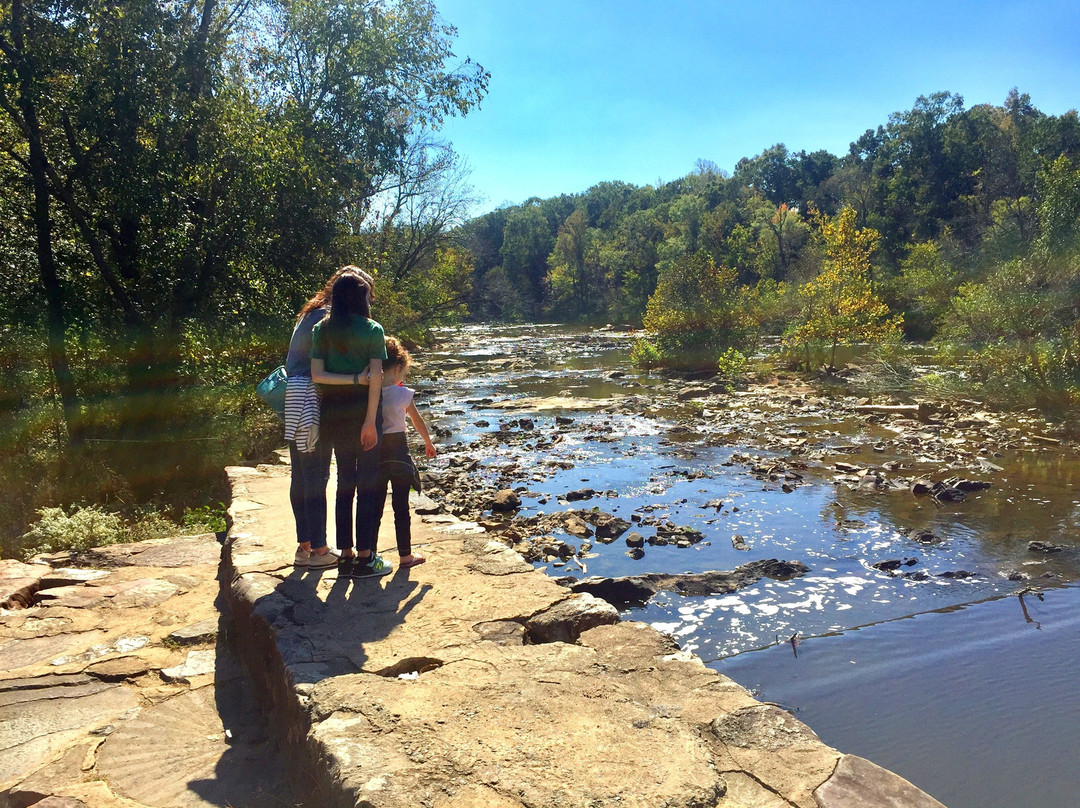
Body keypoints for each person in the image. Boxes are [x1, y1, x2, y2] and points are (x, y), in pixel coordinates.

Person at [310, 270, 391, 578]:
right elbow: (376, 380)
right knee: (368, 483)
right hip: (362, 412)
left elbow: (318, 375)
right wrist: (370, 421)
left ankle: (345, 555)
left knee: (345, 481)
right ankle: (366, 557)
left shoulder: (321, 329)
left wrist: (348, 379)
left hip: (333, 413)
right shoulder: (372, 329)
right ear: (360, 298)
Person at [371, 336, 436, 568]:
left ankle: (370, 554)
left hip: (376, 452)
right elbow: (417, 420)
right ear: (398, 368)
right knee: (401, 507)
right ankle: (405, 555)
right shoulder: (403, 394)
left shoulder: (371, 393)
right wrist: (428, 441)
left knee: (375, 507)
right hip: (399, 452)